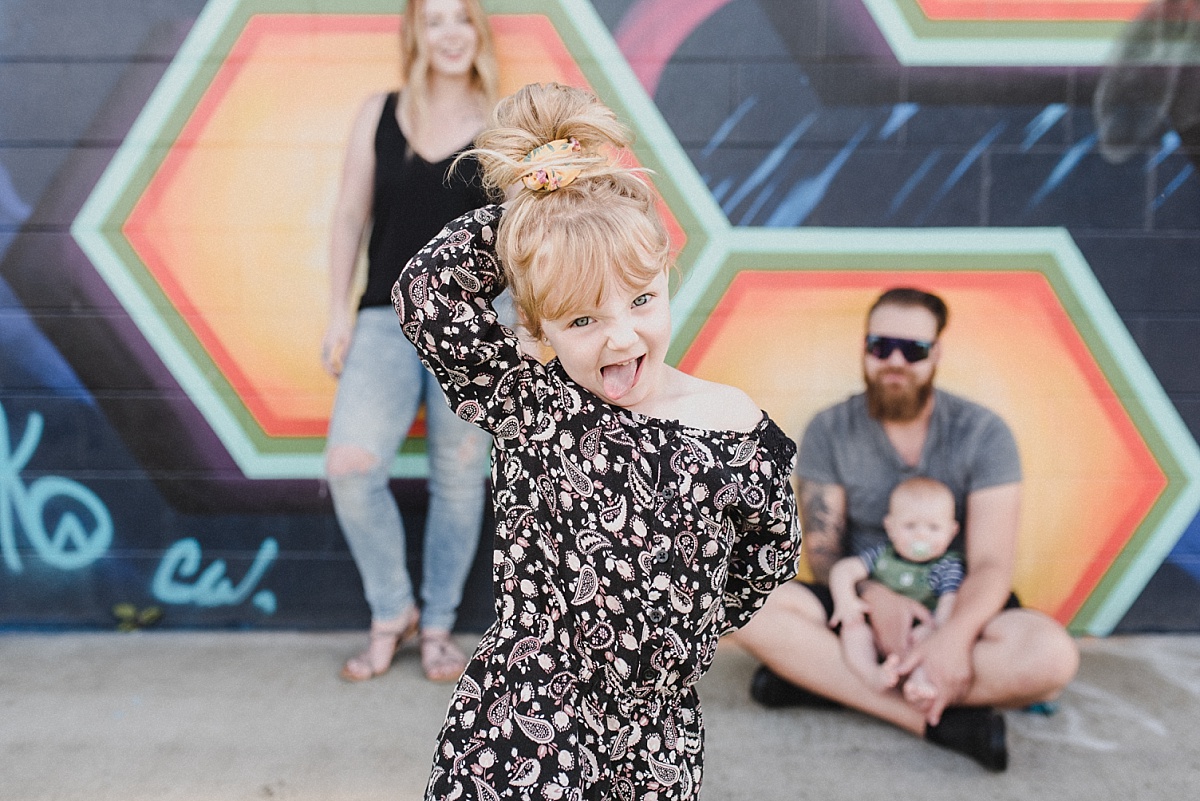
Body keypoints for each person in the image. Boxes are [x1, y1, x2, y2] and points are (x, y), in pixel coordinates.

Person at [392, 82, 802, 801]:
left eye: (640, 300)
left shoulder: (732, 425)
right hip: (525, 716)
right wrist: (540, 212)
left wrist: (684, 634)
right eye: (581, 319)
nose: (619, 333)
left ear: (666, 280)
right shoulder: (530, 401)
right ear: (539, 327)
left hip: (657, 734)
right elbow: (425, 291)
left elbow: (766, 555)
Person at [726, 287, 1080, 772]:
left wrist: (952, 640)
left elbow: (992, 564)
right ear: (864, 349)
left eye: (913, 349)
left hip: (949, 599)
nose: (895, 360)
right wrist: (877, 598)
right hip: (863, 591)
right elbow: (826, 555)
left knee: (1050, 659)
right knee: (750, 608)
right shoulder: (830, 429)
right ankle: (942, 722)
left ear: (936, 354)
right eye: (880, 346)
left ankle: (821, 680)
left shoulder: (982, 433)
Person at [321, 0, 498, 683]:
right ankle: (392, 610)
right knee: (350, 467)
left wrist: (525, 322)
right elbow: (348, 216)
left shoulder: (505, 124)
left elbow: (525, 232)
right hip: (381, 321)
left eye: (463, 18)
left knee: (458, 481)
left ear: (478, 31)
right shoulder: (379, 111)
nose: (450, 33)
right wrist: (337, 310)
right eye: (435, 20)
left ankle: (441, 625)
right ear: (415, 33)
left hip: (474, 326)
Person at [829, 476, 962, 698]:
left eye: (934, 528)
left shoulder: (946, 567)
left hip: (916, 633)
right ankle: (871, 673)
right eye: (910, 526)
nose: (921, 535)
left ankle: (919, 681)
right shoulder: (882, 555)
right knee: (853, 630)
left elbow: (950, 603)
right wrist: (846, 602)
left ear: (952, 531)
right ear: (890, 527)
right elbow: (844, 569)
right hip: (876, 629)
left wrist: (937, 629)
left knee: (927, 638)